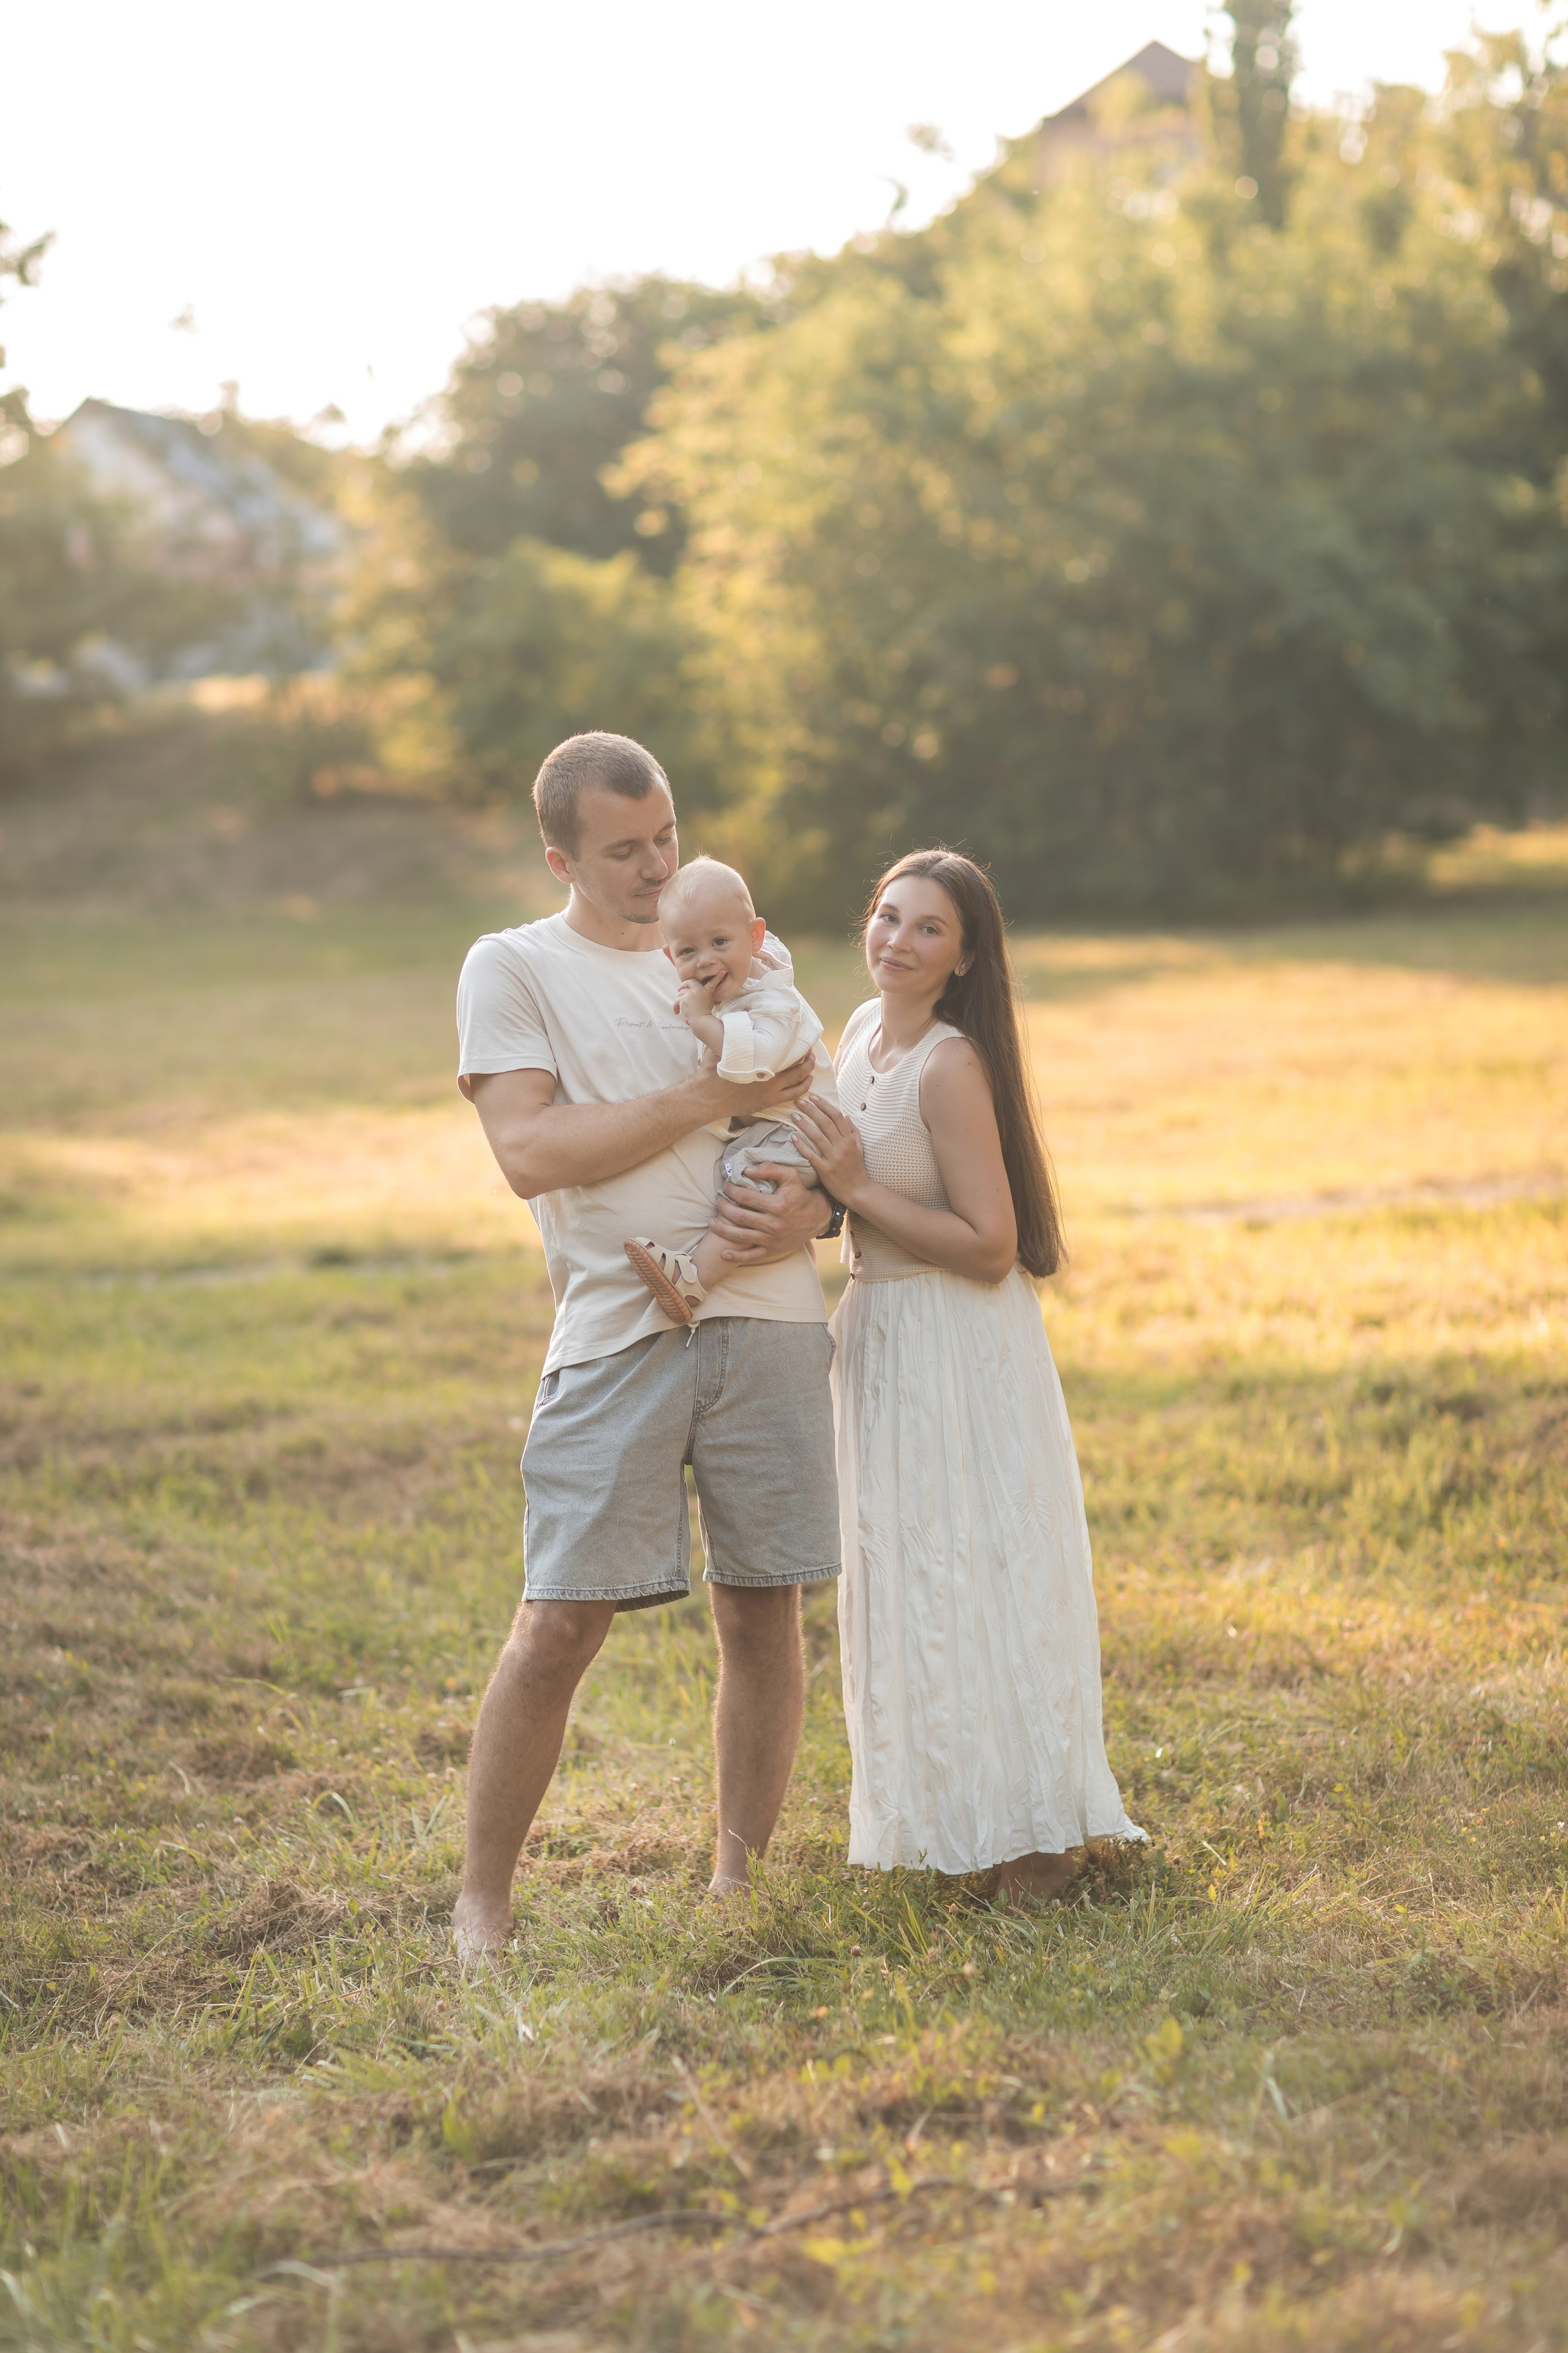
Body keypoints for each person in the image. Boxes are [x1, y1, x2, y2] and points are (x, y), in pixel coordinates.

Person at [450, 732, 842, 1963]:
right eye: (624, 849)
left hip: (768, 1318)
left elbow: (822, 1123)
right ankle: (482, 1900)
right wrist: (705, 1103)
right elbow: (530, 1155)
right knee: (559, 1618)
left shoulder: (745, 946)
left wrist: (815, 1209)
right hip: (617, 1329)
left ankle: (735, 1881)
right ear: (560, 855)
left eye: (664, 836)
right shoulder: (513, 966)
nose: (655, 865)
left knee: (762, 1605)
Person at [793, 849, 1143, 1903]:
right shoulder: (857, 1036)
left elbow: (991, 1244)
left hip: (958, 1337)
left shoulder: (952, 1065)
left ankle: (1033, 1839)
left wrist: (853, 1187)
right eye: (889, 916)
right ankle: (957, 1824)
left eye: (928, 928)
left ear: (965, 956)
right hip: (881, 1335)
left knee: (983, 1573)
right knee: (909, 1580)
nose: (898, 940)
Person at [624, 855, 842, 1326]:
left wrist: (702, 1022)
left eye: (720, 942)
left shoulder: (776, 1000)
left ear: (755, 937)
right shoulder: (734, 989)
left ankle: (695, 1278)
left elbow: (753, 1061)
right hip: (776, 1129)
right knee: (740, 1175)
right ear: (670, 957)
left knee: (749, 1193)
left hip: (804, 1136)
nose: (705, 960)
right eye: (687, 952)